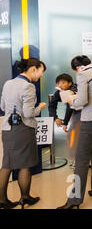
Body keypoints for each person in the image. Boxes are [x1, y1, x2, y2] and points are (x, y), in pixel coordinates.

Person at [57, 55, 92, 209]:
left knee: (81, 158)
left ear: (79, 68)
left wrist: (70, 100)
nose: (76, 73)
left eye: (75, 70)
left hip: (91, 119)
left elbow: (82, 101)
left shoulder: (82, 75)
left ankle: (74, 200)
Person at [0, 58, 47, 209]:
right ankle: (25, 198)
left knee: (7, 164)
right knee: (25, 164)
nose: (40, 75)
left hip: (7, 128)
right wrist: (40, 107)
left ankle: (2, 200)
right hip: (22, 129)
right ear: (34, 69)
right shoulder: (28, 86)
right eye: (41, 72)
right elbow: (28, 113)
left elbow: (2, 106)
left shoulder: (9, 83)